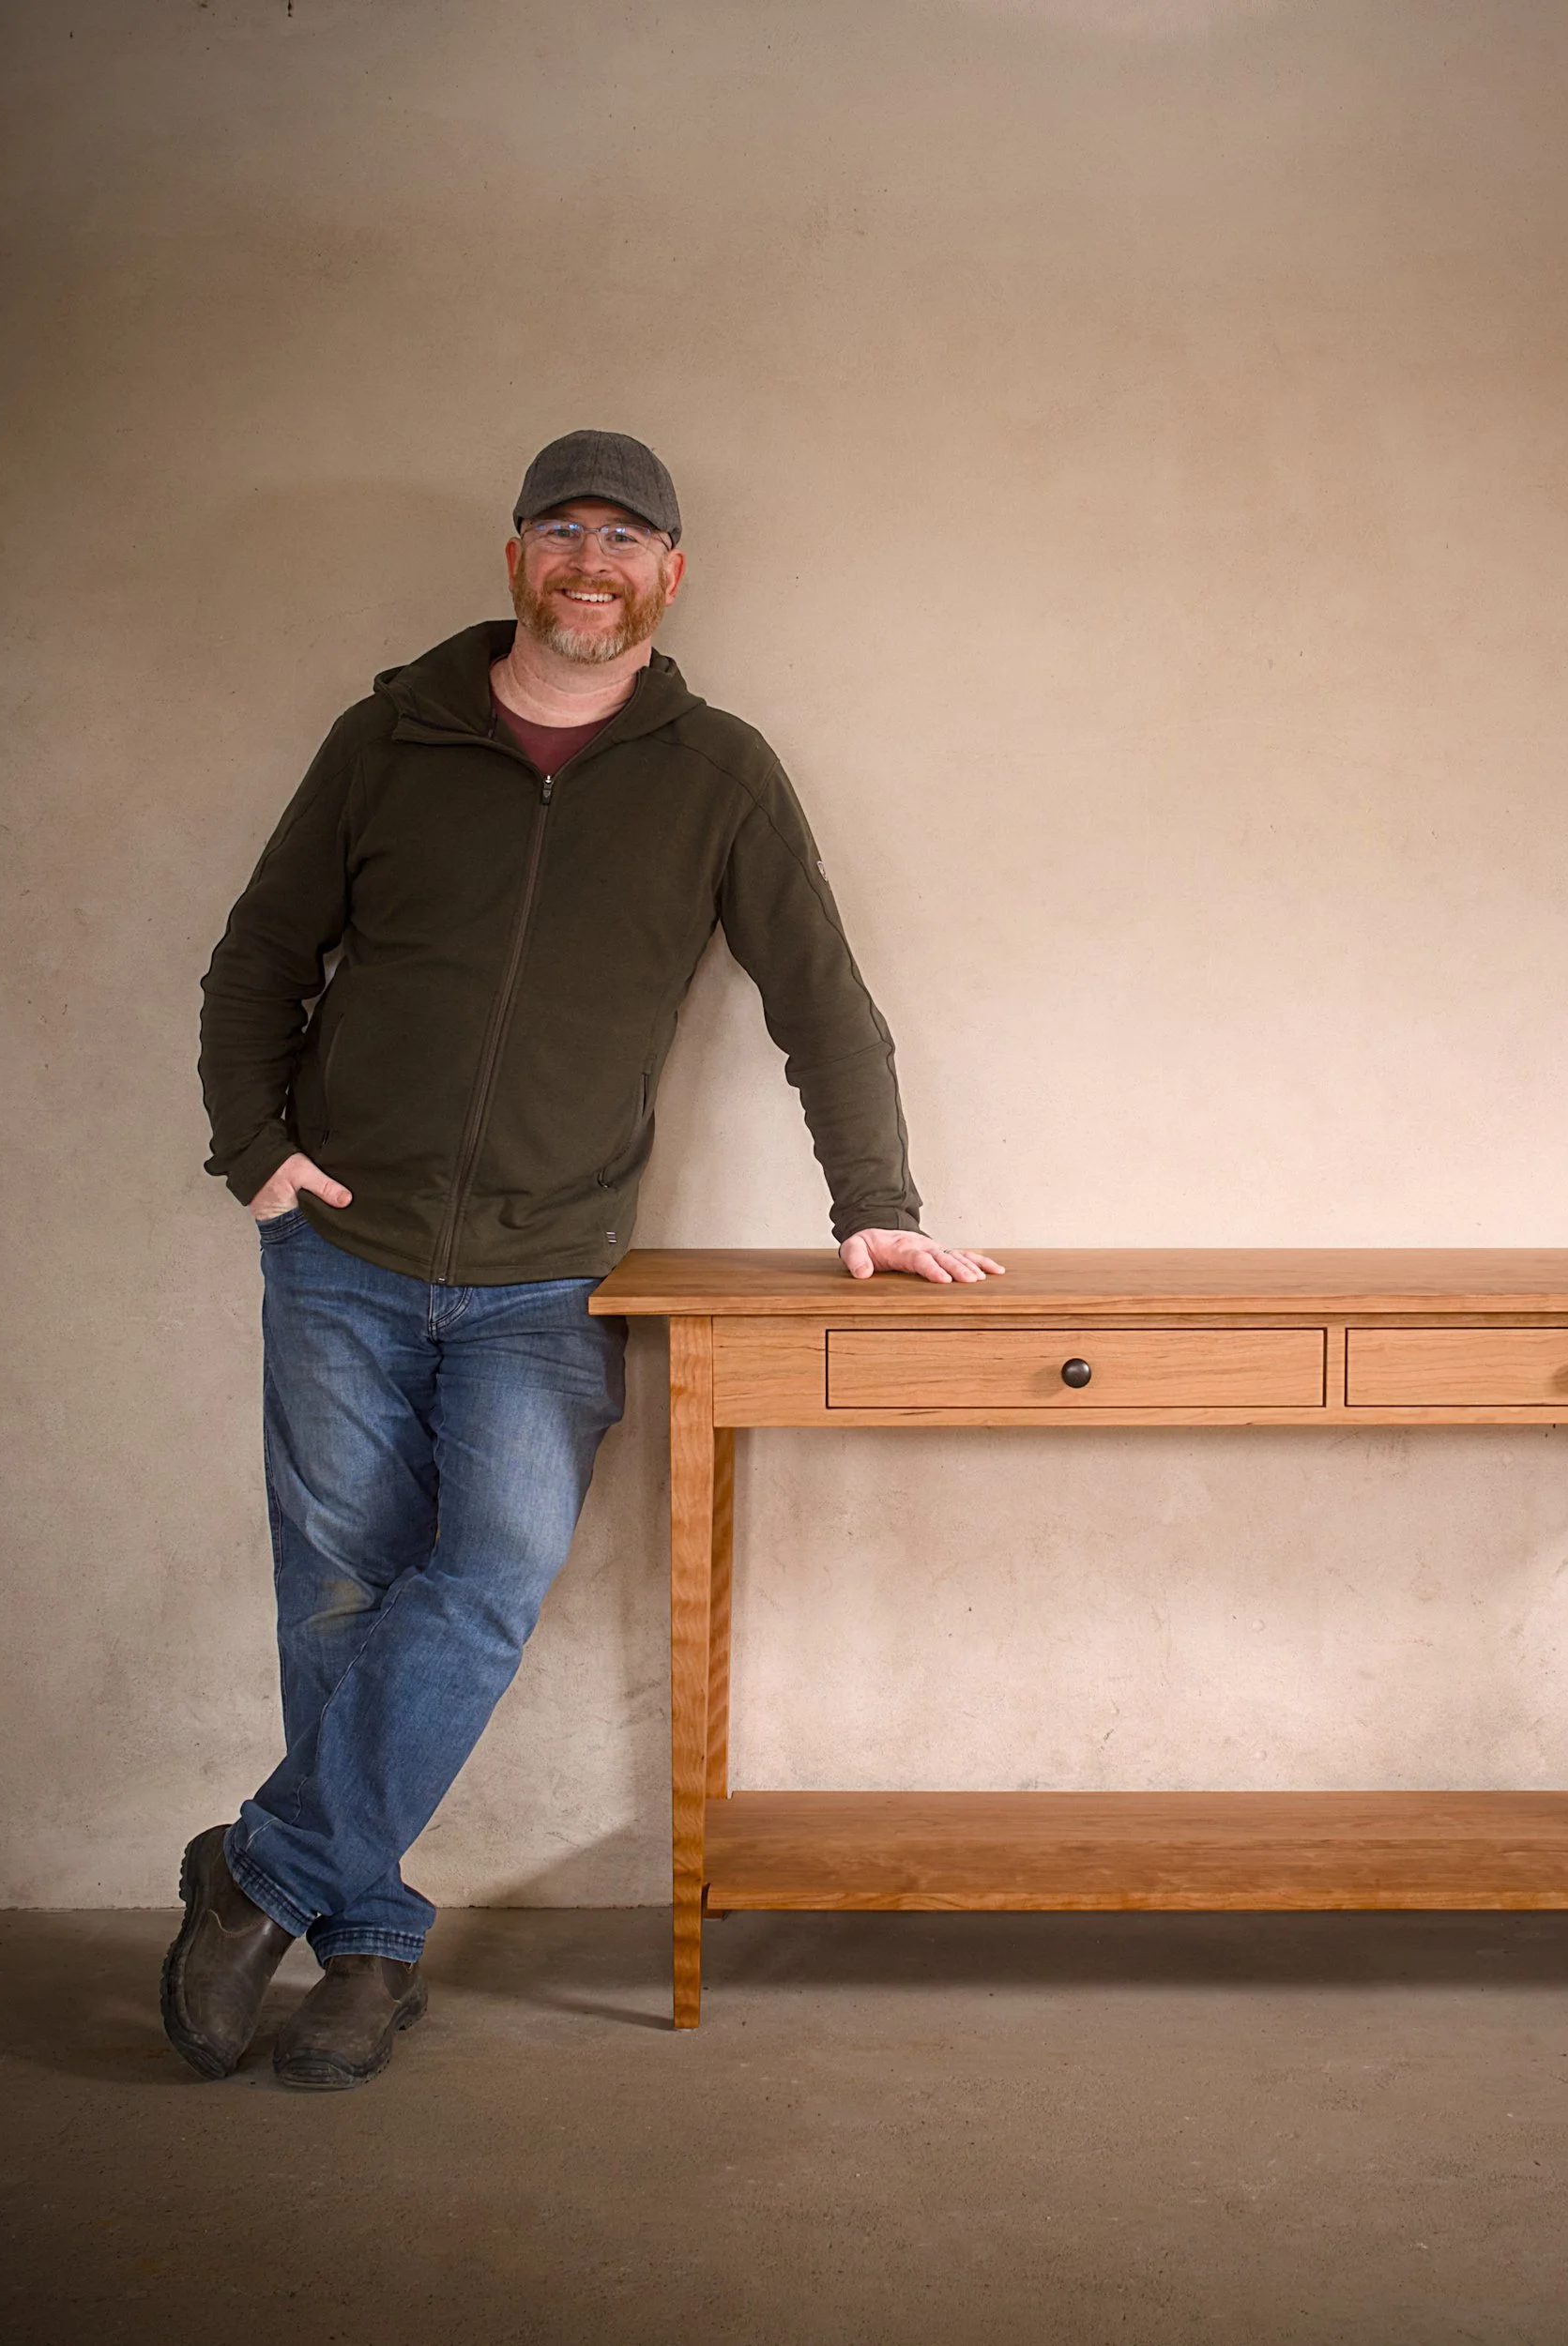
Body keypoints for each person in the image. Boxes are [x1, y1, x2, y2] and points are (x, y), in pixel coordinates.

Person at [169, 429, 1002, 2090]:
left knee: (483, 1578)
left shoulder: (719, 773)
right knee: (336, 1597)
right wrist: (253, 1154)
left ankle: (254, 1869)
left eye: (627, 536)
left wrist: (875, 1201)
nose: (592, 559)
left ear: (669, 575)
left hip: (548, 1277)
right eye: (564, 529)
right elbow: (261, 950)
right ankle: (370, 1949)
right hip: (340, 1251)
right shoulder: (387, 736)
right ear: (517, 561)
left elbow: (820, 999)